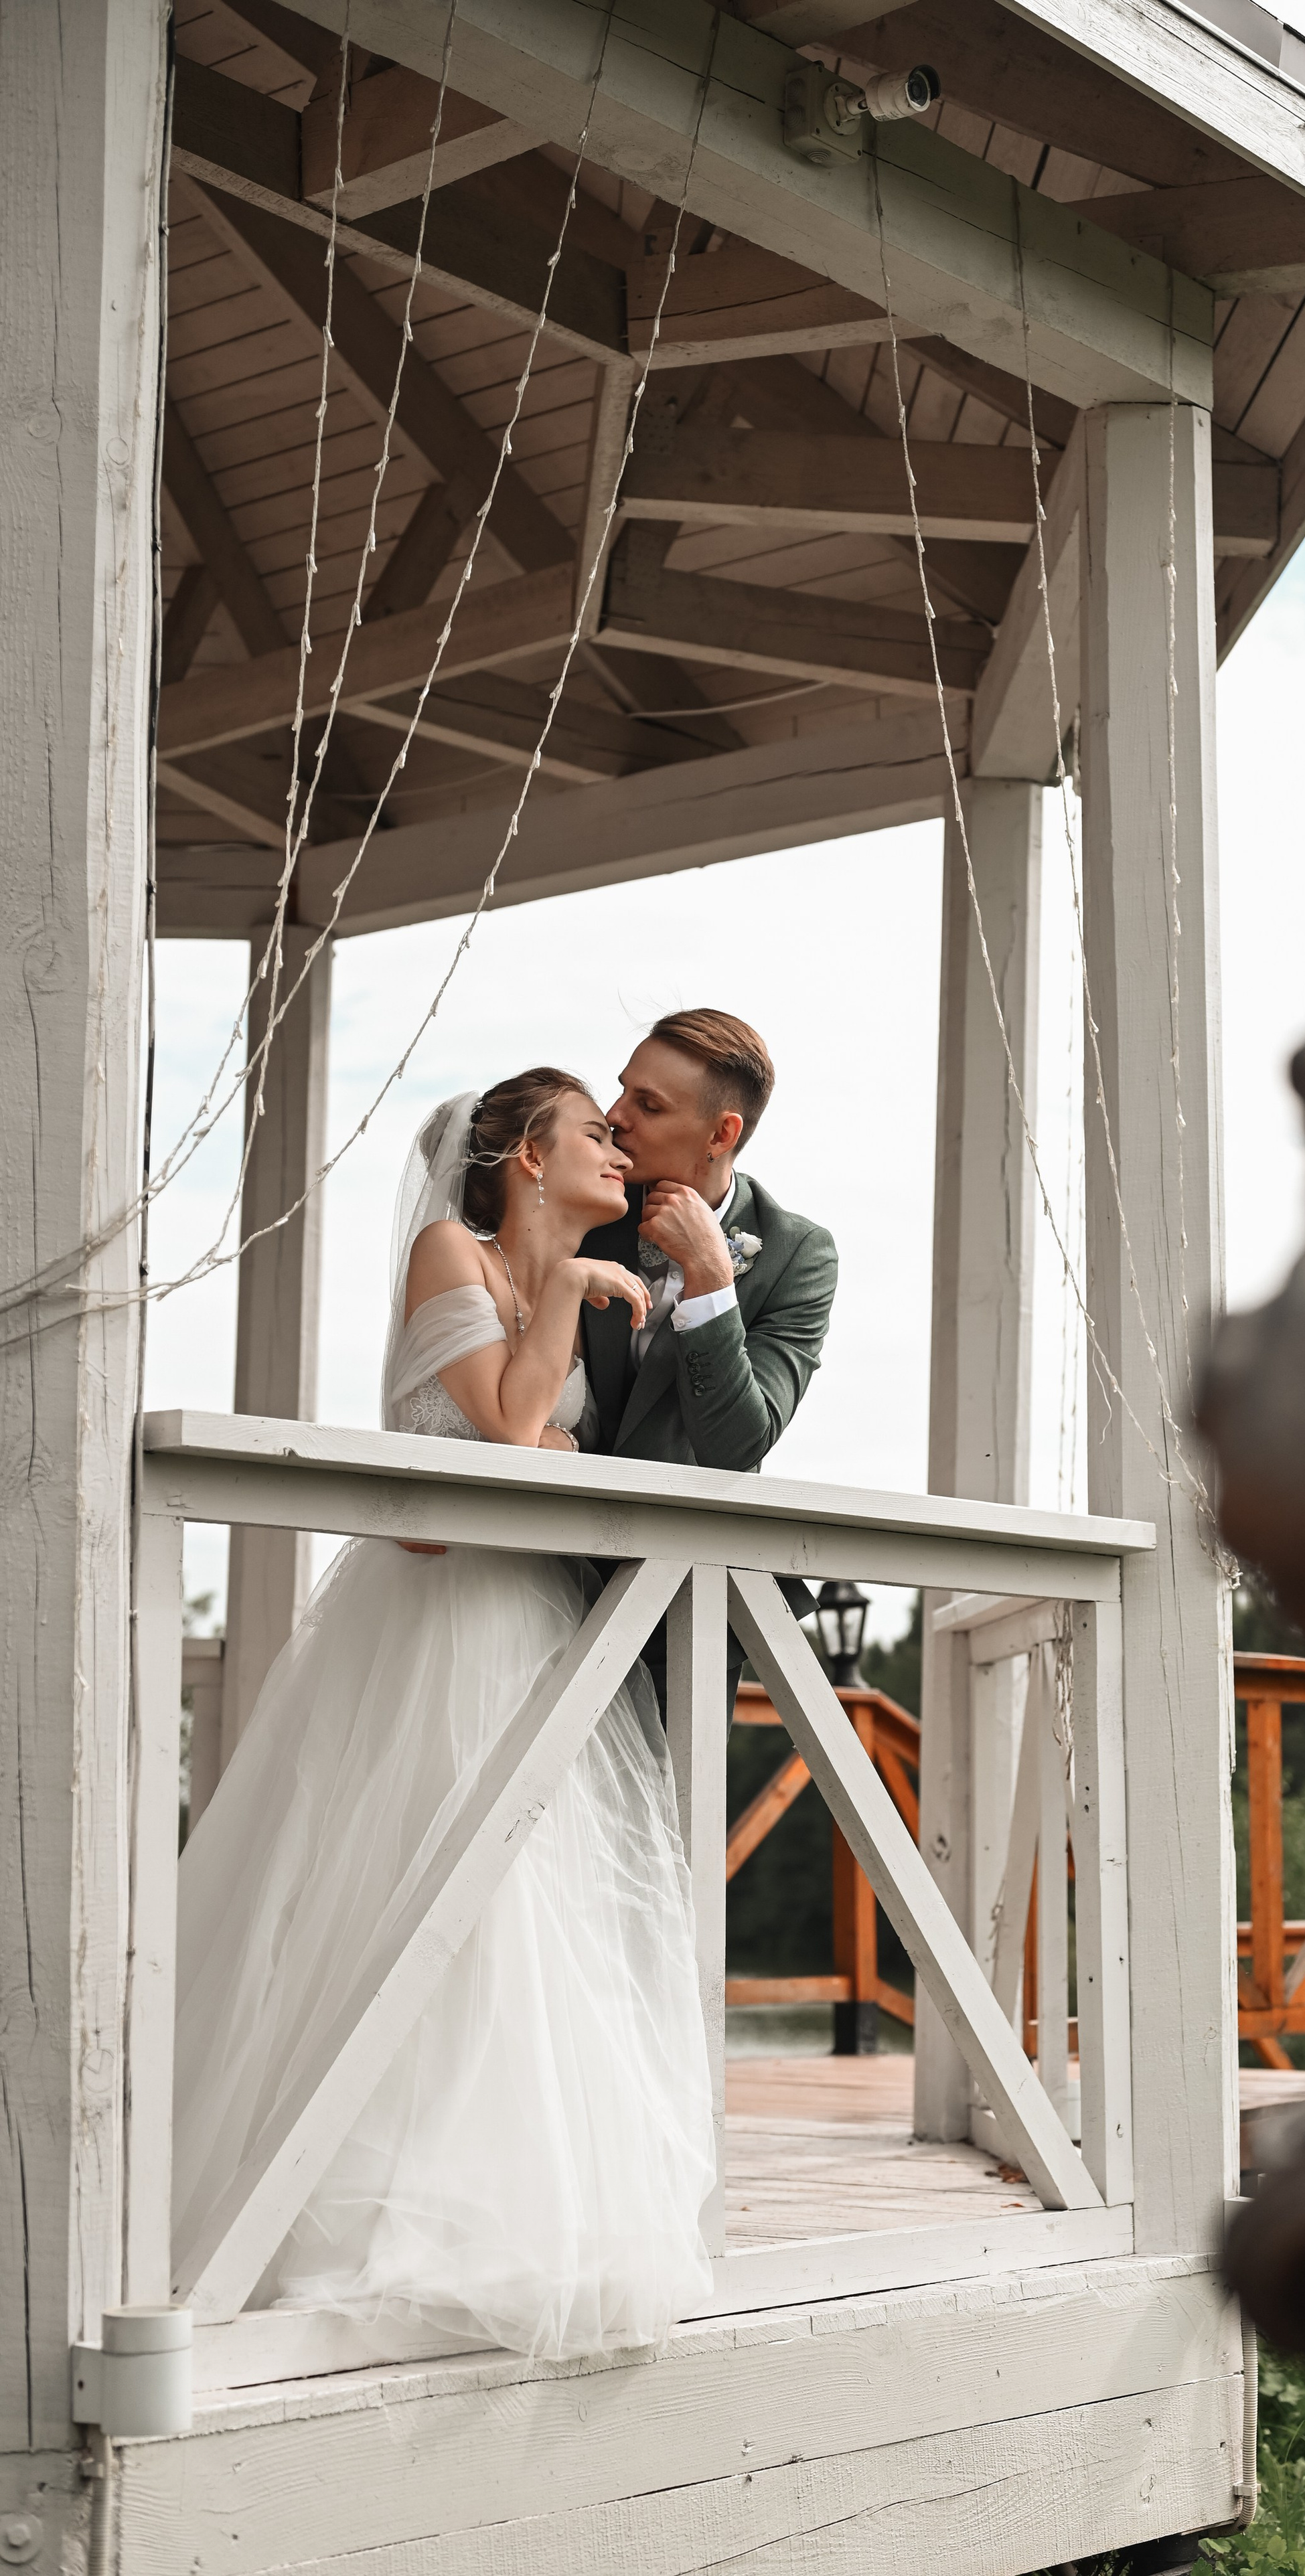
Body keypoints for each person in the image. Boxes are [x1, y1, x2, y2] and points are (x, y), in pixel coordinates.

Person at [173, 1071, 716, 2362]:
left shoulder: (565, 1284)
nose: (618, 1151)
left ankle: (513, 2198)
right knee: (414, 1876)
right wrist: (568, 1302)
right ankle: (332, 2199)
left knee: (534, 1905)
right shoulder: (450, 1249)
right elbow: (513, 1422)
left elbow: (547, 1446)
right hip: (436, 1622)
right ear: (527, 1155)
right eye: (594, 1132)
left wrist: (556, 1390)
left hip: (535, 1615)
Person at [578, 1008, 839, 1704]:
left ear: (722, 1134)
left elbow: (737, 1444)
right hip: (540, 1580)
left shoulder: (798, 1255)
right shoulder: (582, 1210)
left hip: (689, 1609)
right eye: (622, 1090)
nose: (615, 1116)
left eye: (649, 1104)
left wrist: (710, 1276)